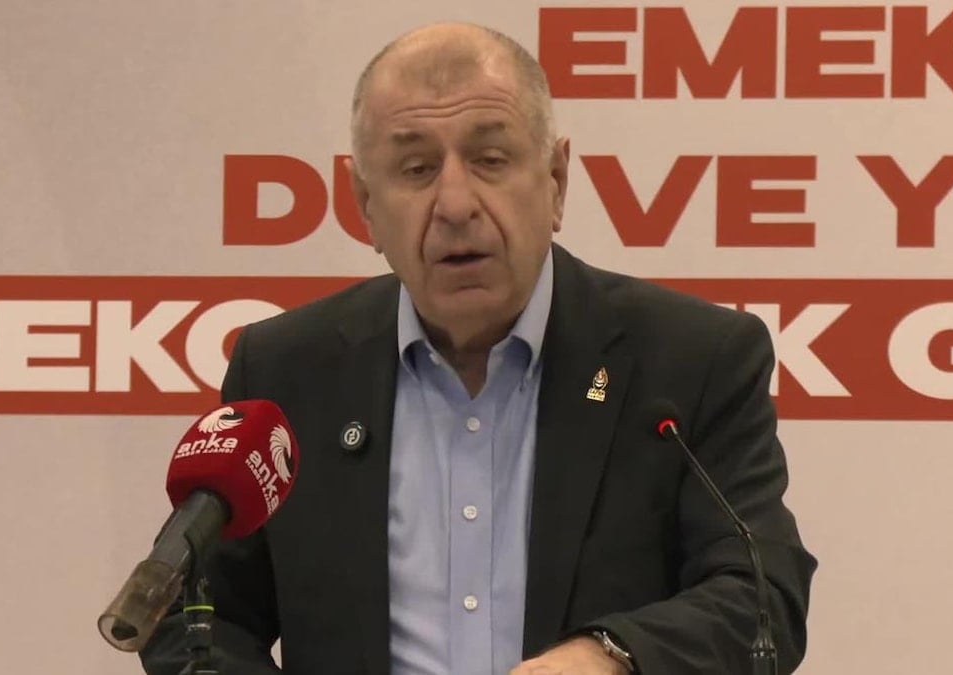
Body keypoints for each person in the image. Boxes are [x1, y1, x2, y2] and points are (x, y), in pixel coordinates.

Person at [142, 21, 816, 675]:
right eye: (416, 168)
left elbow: (761, 594)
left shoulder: (694, 359)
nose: (456, 203)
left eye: (491, 160)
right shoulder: (290, 368)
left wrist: (612, 656)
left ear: (556, 180)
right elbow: (193, 614)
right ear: (365, 205)